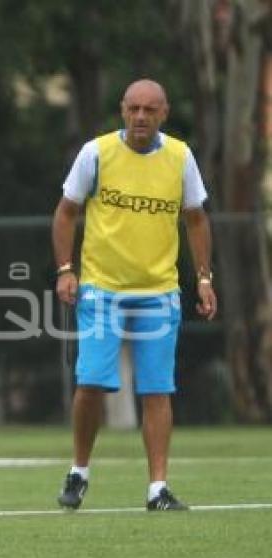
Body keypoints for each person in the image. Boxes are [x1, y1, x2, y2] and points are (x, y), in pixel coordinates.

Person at [52, 79, 217, 511]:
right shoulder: (97, 153)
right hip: (102, 288)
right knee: (90, 383)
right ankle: (79, 470)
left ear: (163, 113)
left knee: (157, 389)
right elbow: (67, 212)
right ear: (122, 110)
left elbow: (196, 219)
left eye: (149, 110)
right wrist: (66, 270)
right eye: (133, 109)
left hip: (159, 291)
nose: (140, 117)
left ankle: (157, 488)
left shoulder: (181, 156)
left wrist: (203, 278)